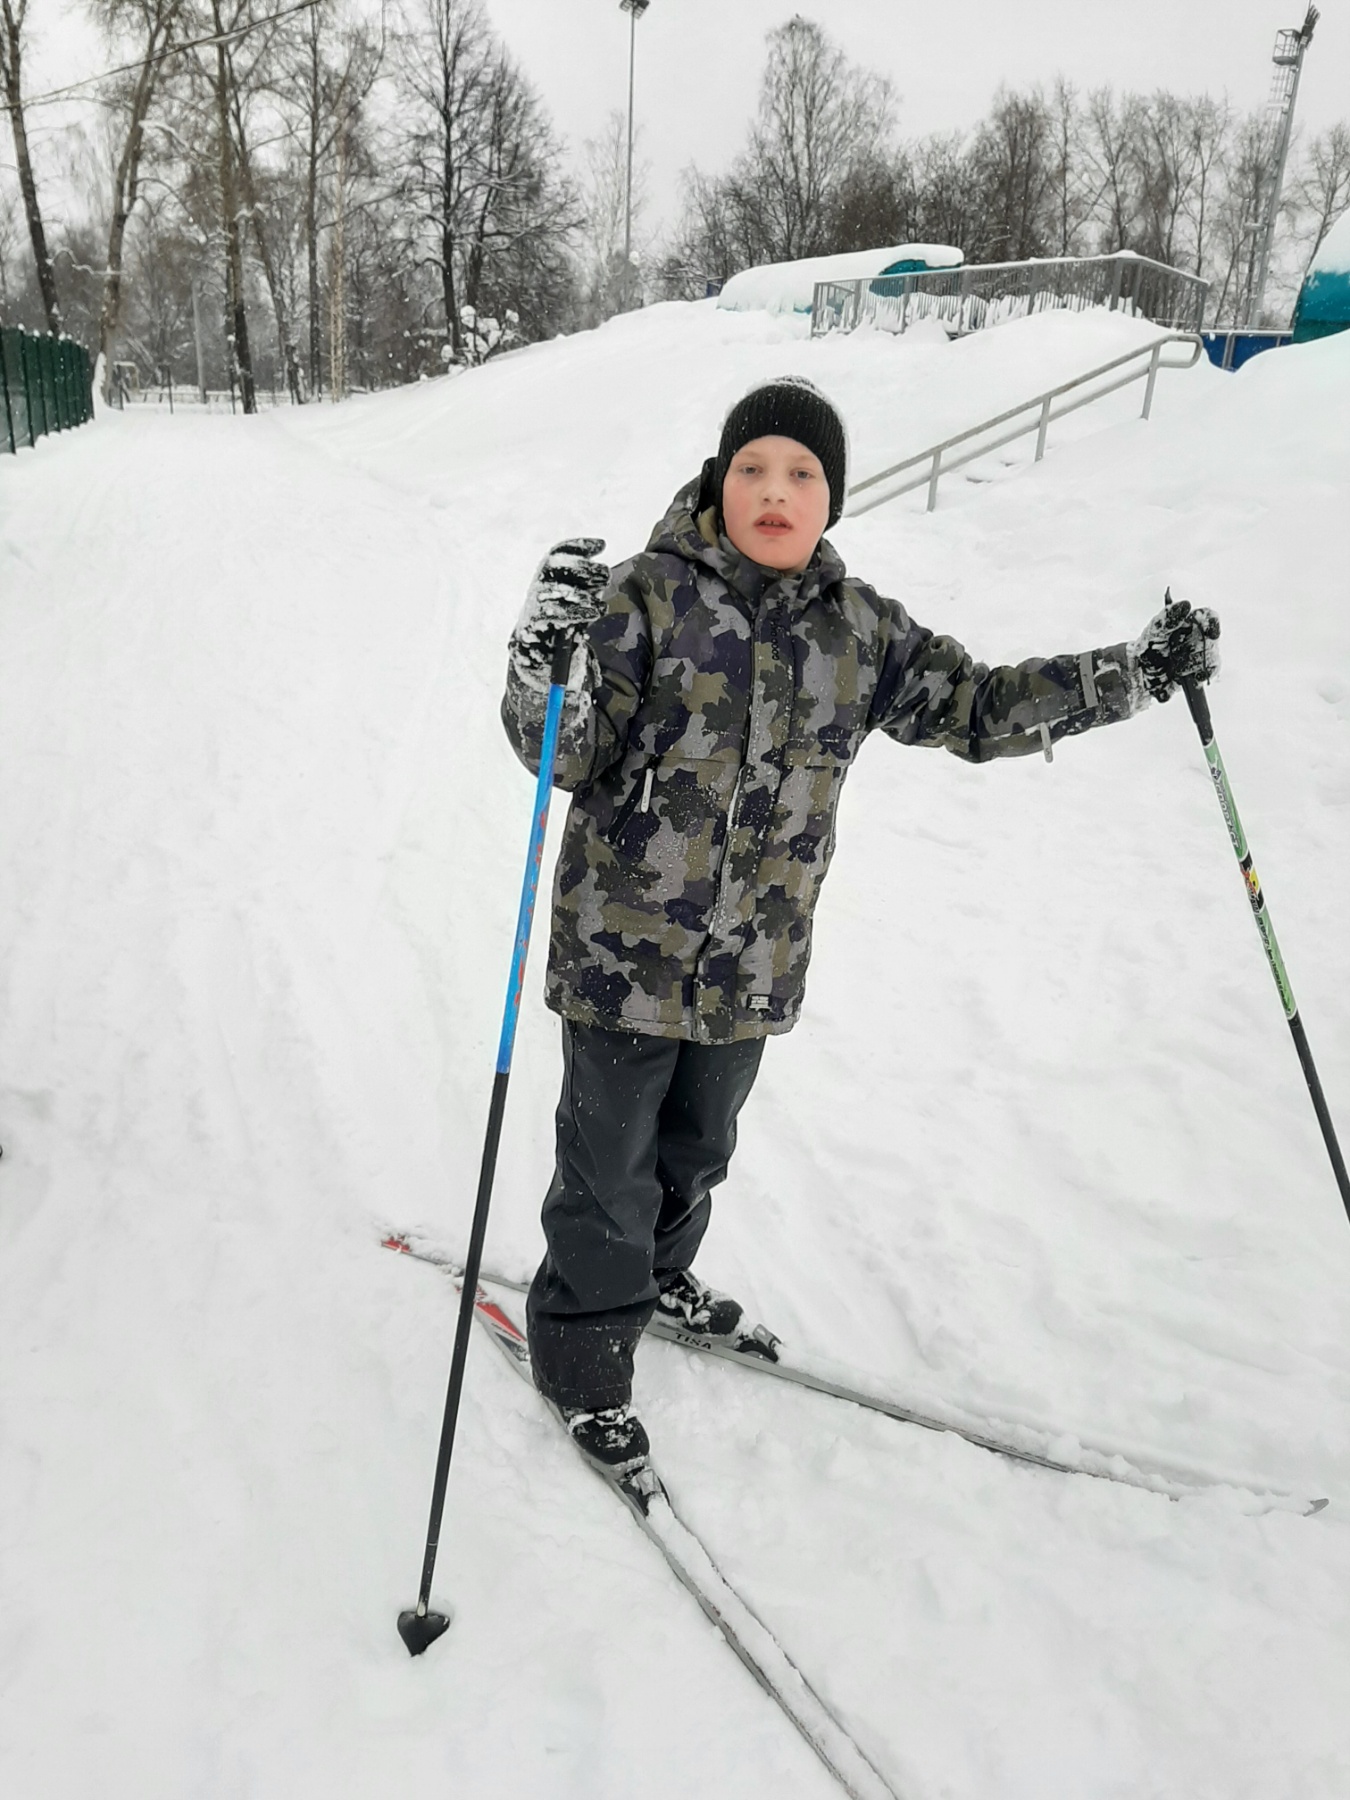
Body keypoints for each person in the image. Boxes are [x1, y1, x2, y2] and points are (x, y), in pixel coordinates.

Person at [501, 374, 1219, 1475]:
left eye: (801, 474)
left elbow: (980, 707)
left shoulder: (859, 631)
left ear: (830, 499)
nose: (774, 491)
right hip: (619, 958)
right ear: (717, 480)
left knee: (696, 1150)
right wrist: (545, 659)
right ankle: (584, 1355)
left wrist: (1135, 673)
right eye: (752, 469)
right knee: (610, 1164)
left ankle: (657, 1272)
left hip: (752, 963)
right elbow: (564, 751)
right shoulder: (640, 597)